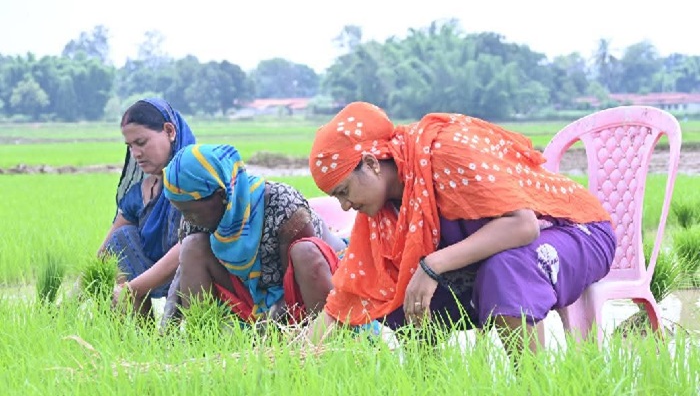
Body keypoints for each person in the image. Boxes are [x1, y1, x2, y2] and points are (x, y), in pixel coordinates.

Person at [305, 101, 617, 357]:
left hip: (574, 231)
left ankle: (531, 384)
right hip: (508, 250)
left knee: (506, 267)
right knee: (390, 285)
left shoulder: (443, 152)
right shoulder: (384, 209)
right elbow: (351, 292)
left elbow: (523, 225)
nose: (344, 206)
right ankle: (430, 383)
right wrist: (299, 352)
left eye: (344, 192)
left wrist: (432, 266)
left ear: (372, 164)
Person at [162, 143, 348, 324]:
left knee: (304, 251)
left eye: (191, 212)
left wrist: (263, 330)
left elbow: (297, 283)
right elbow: (183, 272)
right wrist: (166, 334)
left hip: (309, 289)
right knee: (191, 245)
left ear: (221, 194)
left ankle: (320, 338)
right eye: (182, 211)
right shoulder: (196, 221)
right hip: (253, 295)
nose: (188, 219)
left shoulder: (282, 206)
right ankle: (205, 339)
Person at [97, 98, 196, 316]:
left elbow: (189, 246)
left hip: (199, 273)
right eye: (130, 146)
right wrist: (72, 301)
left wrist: (130, 289)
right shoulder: (140, 193)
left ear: (169, 131)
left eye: (141, 142)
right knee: (121, 238)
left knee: (196, 246)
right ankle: (142, 337)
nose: (136, 153)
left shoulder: (196, 181)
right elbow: (104, 252)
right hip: (153, 273)